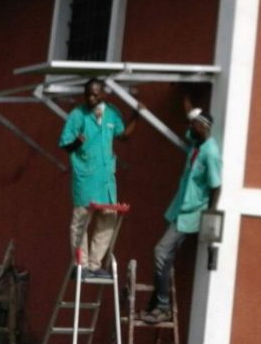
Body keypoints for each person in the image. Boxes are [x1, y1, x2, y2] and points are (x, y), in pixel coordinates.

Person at [142, 102, 221, 324]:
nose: (189, 128)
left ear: (203, 126)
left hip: (193, 213)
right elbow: (189, 131)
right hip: (180, 209)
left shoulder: (210, 153)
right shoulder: (197, 144)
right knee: (165, 258)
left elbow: (216, 186)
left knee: (160, 251)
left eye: (193, 124)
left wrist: (210, 216)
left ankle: (163, 306)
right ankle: (156, 303)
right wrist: (187, 106)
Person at [59, 77, 139, 279]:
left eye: (95, 94)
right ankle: (81, 265)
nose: (91, 98)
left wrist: (137, 115)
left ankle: (94, 265)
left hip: (105, 180)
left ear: (103, 94)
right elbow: (65, 144)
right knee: (80, 222)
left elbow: (123, 136)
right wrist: (77, 142)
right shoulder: (78, 115)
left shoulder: (112, 113)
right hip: (86, 178)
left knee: (108, 220)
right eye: (88, 94)